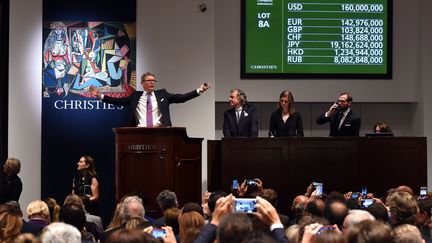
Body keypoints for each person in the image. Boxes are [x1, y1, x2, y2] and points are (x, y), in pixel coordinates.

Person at [90, 72, 211, 127]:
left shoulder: (162, 94)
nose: (152, 82)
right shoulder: (135, 96)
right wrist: (100, 95)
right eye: (149, 80)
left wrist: (198, 90)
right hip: (140, 132)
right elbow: (118, 101)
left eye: (153, 80)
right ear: (142, 83)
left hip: (161, 132)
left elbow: (181, 98)